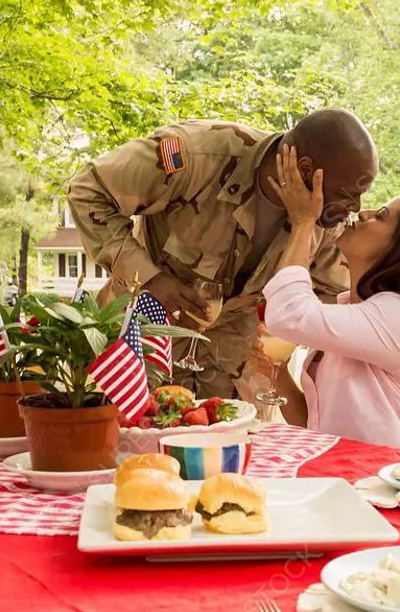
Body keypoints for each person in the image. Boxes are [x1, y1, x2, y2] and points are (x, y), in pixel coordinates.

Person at [67, 108, 379, 400]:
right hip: (142, 349)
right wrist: (151, 278)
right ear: (306, 170)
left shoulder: (323, 220)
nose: (356, 208)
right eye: (349, 194)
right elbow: (87, 190)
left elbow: (330, 302)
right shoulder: (196, 154)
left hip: (235, 379)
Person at [256, 144, 400, 454]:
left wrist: (303, 222)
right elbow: (317, 426)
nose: (362, 212)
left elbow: (287, 314)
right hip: (358, 484)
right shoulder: (358, 313)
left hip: (399, 488)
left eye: (380, 216)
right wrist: (280, 374)